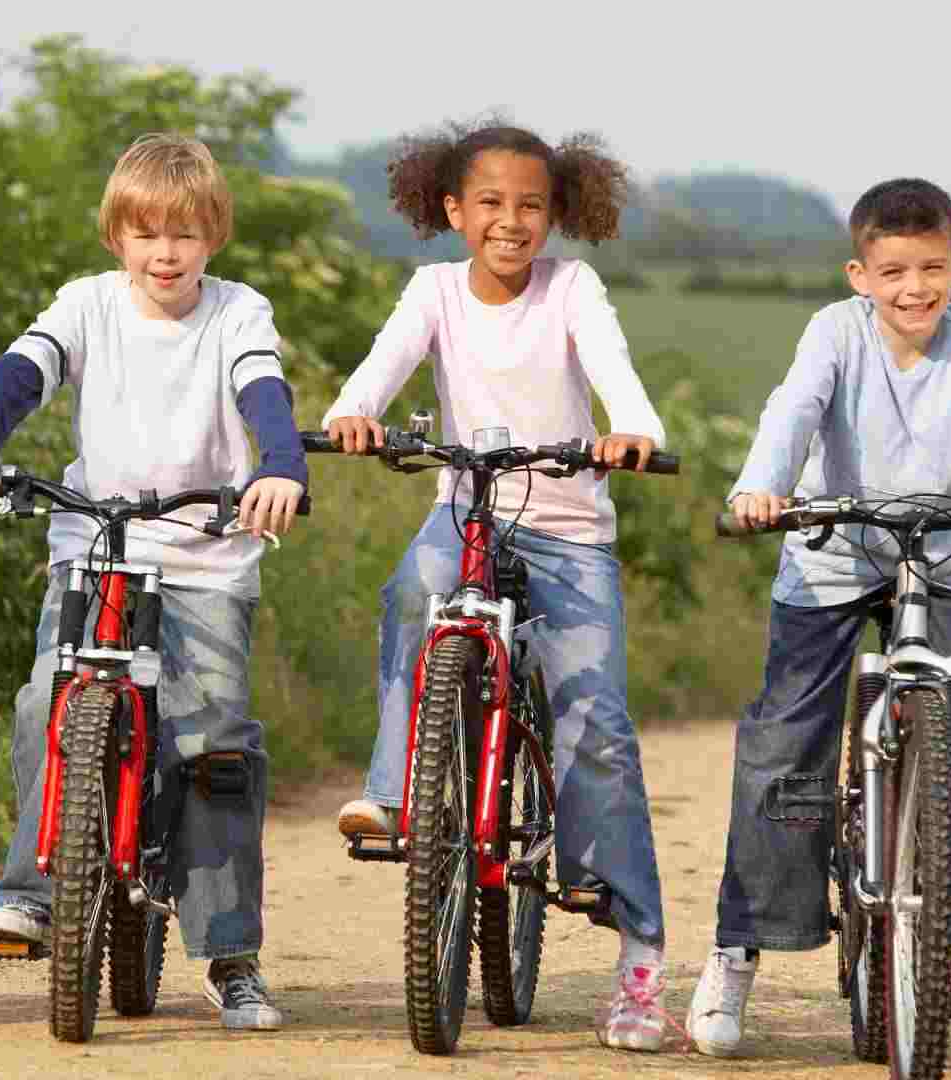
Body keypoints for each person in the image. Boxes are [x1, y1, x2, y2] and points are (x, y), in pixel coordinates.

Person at [685, 177, 951, 1057]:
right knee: (783, 743)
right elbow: (794, 407)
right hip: (830, 552)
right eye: (892, 272)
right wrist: (761, 486)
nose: (914, 289)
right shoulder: (834, 334)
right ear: (859, 275)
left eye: (930, 269)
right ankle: (739, 948)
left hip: (941, 554)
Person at [320, 121, 678, 1053]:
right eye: (490, 204)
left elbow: (614, 371)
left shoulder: (573, 288)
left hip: (566, 534)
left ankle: (638, 959)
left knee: (595, 720)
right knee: (413, 590)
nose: (510, 223)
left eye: (530, 206)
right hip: (468, 515)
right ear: (453, 211)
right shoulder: (434, 290)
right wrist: (355, 412)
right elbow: (381, 366)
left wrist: (630, 427)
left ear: (556, 214)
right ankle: (399, 789)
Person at [0, 133, 307, 1032]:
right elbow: (19, 377)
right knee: (43, 703)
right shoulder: (86, 306)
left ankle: (228, 952)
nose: (165, 253)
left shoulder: (237, 314)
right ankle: (31, 890)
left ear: (212, 236)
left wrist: (282, 465)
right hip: (96, 550)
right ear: (117, 237)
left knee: (215, 742)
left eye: (184, 234)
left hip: (206, 555)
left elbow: (264, 395)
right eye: (147, 234)